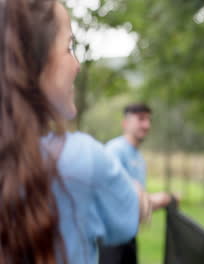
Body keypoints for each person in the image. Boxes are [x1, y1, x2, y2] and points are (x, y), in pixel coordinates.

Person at [0, 0, 171, 263]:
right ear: (36, 61)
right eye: (69, 48)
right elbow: (124, 219)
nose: (77, 64)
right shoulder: (81, 156)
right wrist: (137, 193)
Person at [99, 103, 153, 264]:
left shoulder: (139, 157)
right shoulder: (114, 150)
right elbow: (111, 193)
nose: (146, 125)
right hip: (111, 238)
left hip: (129, 236)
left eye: (149, 120)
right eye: (141, 119)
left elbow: (137, 202)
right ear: (125, 123)